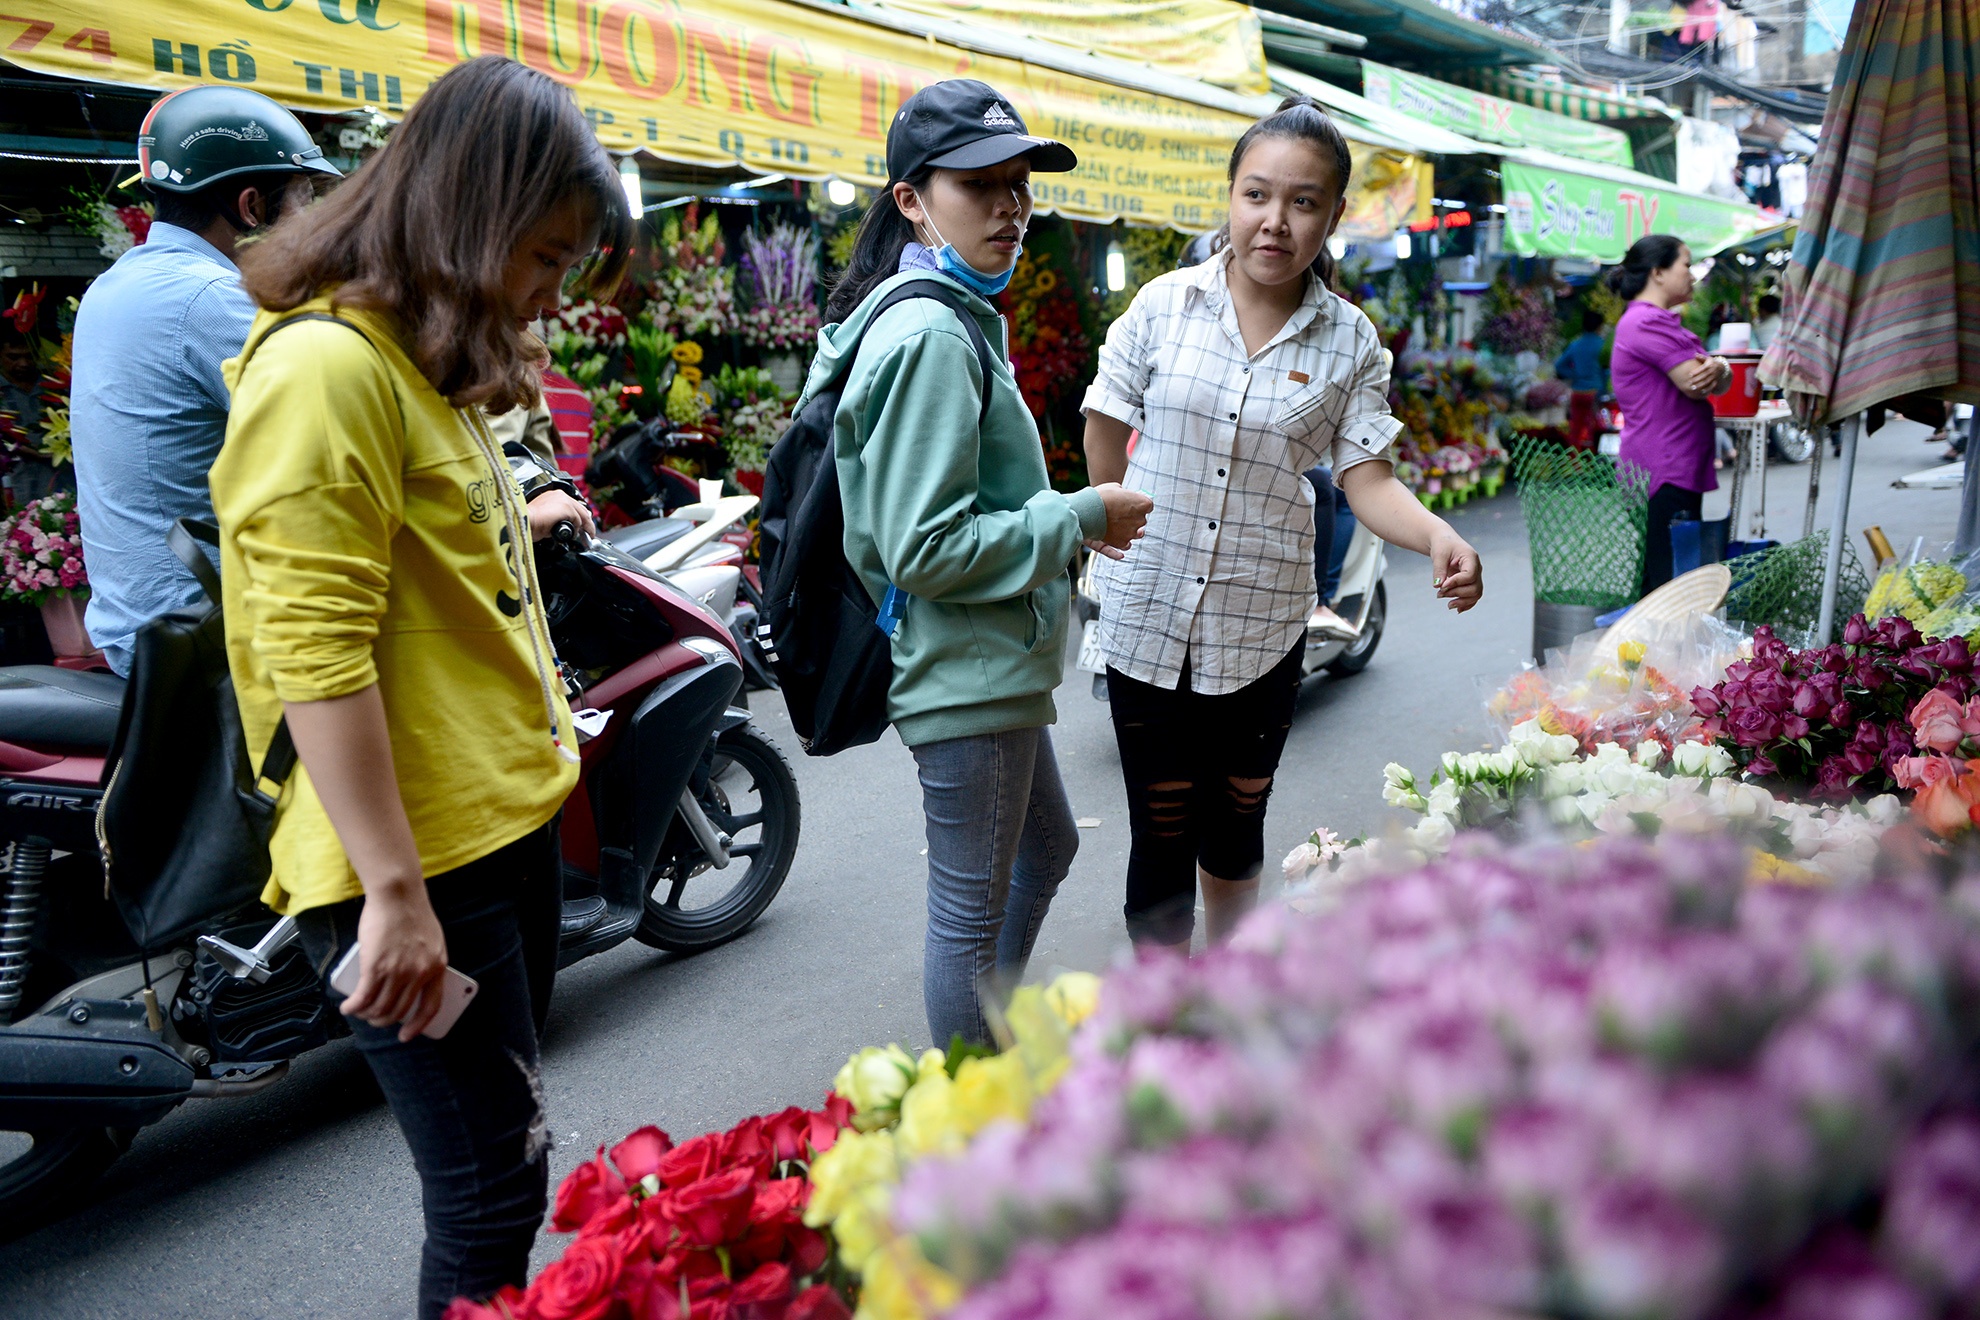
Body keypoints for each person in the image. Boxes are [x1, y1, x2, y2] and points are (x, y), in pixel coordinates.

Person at [210, 57, 633, 1318]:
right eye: (545, 258)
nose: (550, 294)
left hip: (485, 835)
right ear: (470, 217)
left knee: (511, 1165)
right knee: (489, 1193)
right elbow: (316, 654)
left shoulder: (417, 362)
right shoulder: (325, 372)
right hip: (413, 867)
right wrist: (393, 896)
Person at [1083, 95, 1483, 951]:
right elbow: (1106, 417)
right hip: (1147, 604)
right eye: (1257, 195)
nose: (1275, 221)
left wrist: (1437, 536)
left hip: (1262, 617)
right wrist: (1103, 509)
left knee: (1235, 816)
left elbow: (1366, 478)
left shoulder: (1350, 341)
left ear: (1333, 217)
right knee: (1160, 825)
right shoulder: (1163, 305)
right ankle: (1163, 1005)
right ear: (1230, 197)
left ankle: (1231, 985)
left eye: (1303, 202)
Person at [804, 78, 1150, 1046]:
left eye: (1018, 184)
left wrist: (1063, 518)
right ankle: (973, 1095)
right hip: (966, 664)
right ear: (911, 201)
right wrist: (1080, 514)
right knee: (966, 918)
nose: (1010, 208)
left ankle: (982, 1062)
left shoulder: (941, 311)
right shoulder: (929, 335)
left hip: (986, 656)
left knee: (1047, 846)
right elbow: (926, 546)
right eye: (978, 185)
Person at [69, 86, 342, 676]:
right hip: (203, 637)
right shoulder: (210, 299)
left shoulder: (115, 284)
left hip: (138, 625)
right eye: (304, 198)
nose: (312, 221)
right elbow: (339, 436)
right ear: (251, 207)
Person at [1607, 234, 1731, 596]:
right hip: (1664, 470)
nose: (1692, 275)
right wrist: (1719, 368)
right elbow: (1697, 383)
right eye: (1686, 265)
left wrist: (1719, 367)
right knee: (1669, 587)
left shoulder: (1658, 321)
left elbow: (1717, 379)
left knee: (1665, 578)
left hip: (1671, 467)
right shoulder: (1645, 322)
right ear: (1658, 272)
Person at [1555, 307, 1609, 448]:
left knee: (1575, 431)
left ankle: (1573, 459)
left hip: (1577, 392)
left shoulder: (1576, 344)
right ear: (1599, 326)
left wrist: (1574, 375)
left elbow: (1559, 365)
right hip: (1595, 393)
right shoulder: (1602, 345)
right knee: (1593, 430)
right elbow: (1607, 371)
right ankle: (1591, 459)